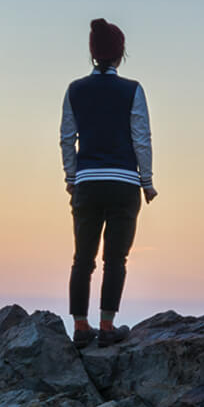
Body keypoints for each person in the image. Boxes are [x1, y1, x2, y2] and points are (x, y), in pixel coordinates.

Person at [60, 18, 156, 348]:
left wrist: (72, 177)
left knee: (82, 259)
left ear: (92, 54)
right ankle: (107, 325)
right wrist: (147, 181)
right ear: (120, 54)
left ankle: (80, 326)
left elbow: (66, 138)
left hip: (87, 182)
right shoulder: (132, 90)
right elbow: (141, 138)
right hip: (124, 184)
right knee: (116, 259)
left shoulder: (75, 90)